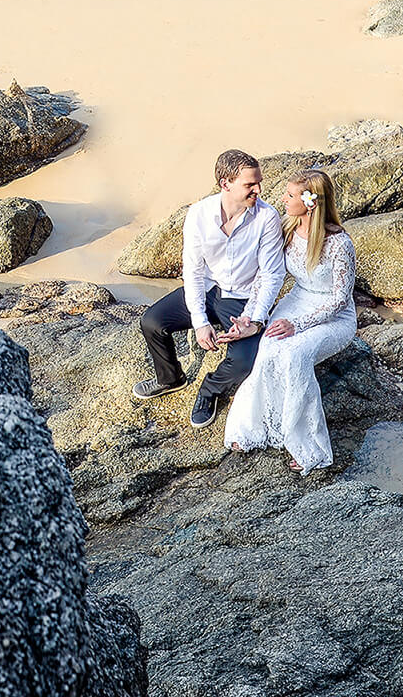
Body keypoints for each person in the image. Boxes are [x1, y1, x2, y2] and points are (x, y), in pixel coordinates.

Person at [132, 150, 287, 429]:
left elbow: (272, 274)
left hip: (242, 299)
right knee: (152, 322)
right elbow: (192, 271)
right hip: (206, 289)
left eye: (258, 182)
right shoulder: (198, 214)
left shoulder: (267, 217)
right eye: (250, 184)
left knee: (244, 361)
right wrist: (200, 322)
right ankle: (170, 379)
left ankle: (209, 390)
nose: (258, 189)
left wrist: (254, 319)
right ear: (225, 183)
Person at [222, 170, 359, 469]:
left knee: (295, 355)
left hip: (334, 317)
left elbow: (339, 299)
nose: (282, 199)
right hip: (297, 301)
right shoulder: (286, 229)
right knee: (269, 348)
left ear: (310, 203)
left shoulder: (339, 244)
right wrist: (250, 317)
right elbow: (266, 276)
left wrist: (298, 326)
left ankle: (306, 445)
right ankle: (252, 428)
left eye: (290, 195)